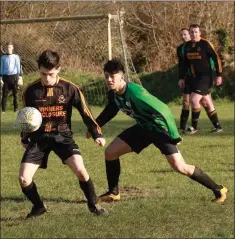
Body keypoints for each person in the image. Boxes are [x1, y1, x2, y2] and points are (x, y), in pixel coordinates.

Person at [86, 59, 227, 204]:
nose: (109, 80)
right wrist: (94, 128)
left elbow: (163, 110)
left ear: (122, 75)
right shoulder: (114, 94)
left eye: (112, 76)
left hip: (159, 129)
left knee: (180, 167)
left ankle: (218, 189)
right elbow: (110, 111)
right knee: (110, 153)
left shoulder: (135, 92)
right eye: (106, 76)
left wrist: (174, 135)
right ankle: (113, 193)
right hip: (143, 128)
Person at [19, 50, 108, 218]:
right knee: (24, 179)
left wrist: (97, 134)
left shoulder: (70, 88)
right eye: (43, 74)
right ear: (38, 69)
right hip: (39, 139)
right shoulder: (30, 92)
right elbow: (27, 118)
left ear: (58, 69)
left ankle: (93, 205)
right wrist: (24, 137)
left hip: (63, 136)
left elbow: (85, 112)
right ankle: (38, 207)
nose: (47, 78)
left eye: (51, 74)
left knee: (81, 170)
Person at [179, 24, 223, 134]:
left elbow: (216, 58)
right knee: (206, 102)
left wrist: (219, 74)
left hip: (206, 77)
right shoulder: (187, 46)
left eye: (196, 32)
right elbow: (184, 64)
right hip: (194, 78)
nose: (194, 34)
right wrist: (181, 78)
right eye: (192, 32)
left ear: (200, 33)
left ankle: (194, 127)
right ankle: (218, 127)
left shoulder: (205, 44)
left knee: (194, 100)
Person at [177, 28, 210, 133]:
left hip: (199, 78)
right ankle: (182, 127)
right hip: (187, 78)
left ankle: (215, 126)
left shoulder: (199, 45)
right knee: (186, 101)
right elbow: (181, 64)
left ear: (190, 34)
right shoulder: (180, 48)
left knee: (204, 102)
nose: (183, 37)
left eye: (185, 34)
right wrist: (181, 77)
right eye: (181, 35)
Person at [0, 42, 22, 113]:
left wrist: (20, 77)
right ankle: (3, 110)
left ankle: (16, 109)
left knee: (15, 94)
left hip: (14, 77)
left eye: (9, 47)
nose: (8, 49)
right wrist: (0, 78)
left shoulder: (15, 56)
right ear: (5, 48)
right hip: (6, 77)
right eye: (7, 47)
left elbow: (18, 67)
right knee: (4, 94)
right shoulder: (3, 57)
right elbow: (1, 68)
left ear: (12, 48)